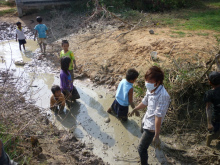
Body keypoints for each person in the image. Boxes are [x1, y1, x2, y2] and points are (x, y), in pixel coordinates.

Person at [128, 66, 170, 165]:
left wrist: (157, 135)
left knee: (141, 149)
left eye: (150, 81)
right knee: (142, 131)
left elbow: (158, 116)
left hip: (151, 127)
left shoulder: (163, 96)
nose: (147, 83)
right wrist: (135, 108)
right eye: (146, 80)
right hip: (146, 118)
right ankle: (149, 142)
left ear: (158, 82)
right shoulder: (150, 89)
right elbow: (145, 102)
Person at [204, 71, 220, 147]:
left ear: (210, 82)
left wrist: (209, 123)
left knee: (212, 133)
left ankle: (207, 145)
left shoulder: (209, 93)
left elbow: (208, 108)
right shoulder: (210, 93)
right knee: (215, 133)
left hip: (216, 117)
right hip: (217, 117)